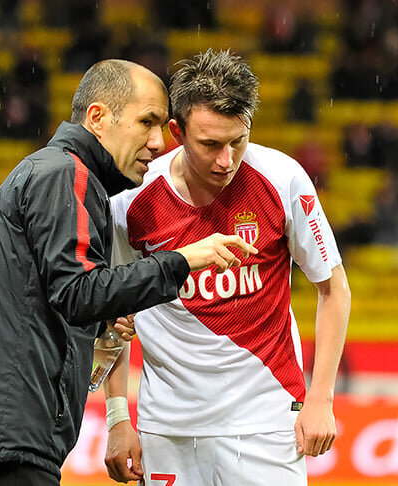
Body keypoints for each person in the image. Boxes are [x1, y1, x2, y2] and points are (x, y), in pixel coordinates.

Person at [0, 59, 257, 486]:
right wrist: (182, 260)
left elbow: (49, 296)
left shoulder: (57, 173)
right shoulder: (65, 174)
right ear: (98, 118)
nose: (158, 143)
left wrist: (104, 320)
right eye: (146, 122)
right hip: (5, 439)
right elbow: (77, 293)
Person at [105, 50, 351, 485]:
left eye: (238, 141)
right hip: (169, 427)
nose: (226, 160)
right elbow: (113, 310)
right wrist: (117, 417)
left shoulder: (283, 179)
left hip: (267, 422)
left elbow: (334, 290)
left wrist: (322, 398)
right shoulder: (131, 199)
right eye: (210, 144)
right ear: (177, 132)